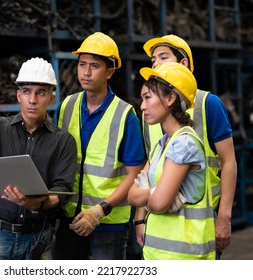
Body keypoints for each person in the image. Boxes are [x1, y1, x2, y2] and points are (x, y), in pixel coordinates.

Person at [0, 57, 77, 260]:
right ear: (18, 96)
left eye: (41, 93)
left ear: (52, 98)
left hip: (38, 238)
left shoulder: (63, 141)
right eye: (26, 92)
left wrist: (37, 205)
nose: (33, 100)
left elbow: (62, 191)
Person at [134, 34, 237, 257]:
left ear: (183, 64)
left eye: (163, 57)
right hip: (160, 223)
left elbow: (229, 162)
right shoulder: (149, 113)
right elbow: (149, 168)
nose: (156, 64)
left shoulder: (208, 104)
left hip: (199, 219)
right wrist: (139, 218)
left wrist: (223, 217)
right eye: (153, 60)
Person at [53, 32, 146, 260]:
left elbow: (135, 174)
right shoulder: (67, 106)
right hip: (70, 218)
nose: (86, 72)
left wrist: (100, 209)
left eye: (94, 66)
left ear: (110, 71)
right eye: (82, 64)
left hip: (108, 223)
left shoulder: (125, 115)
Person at [128, 62, 216, 259]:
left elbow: (159, 203)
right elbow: (132, 196)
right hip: (157, 255)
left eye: (147, 97)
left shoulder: (184, 144)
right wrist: (155, 193)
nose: (142, 106)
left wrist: (152, 193)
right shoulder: (162, 144)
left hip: (184, 259)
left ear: (170, 98)